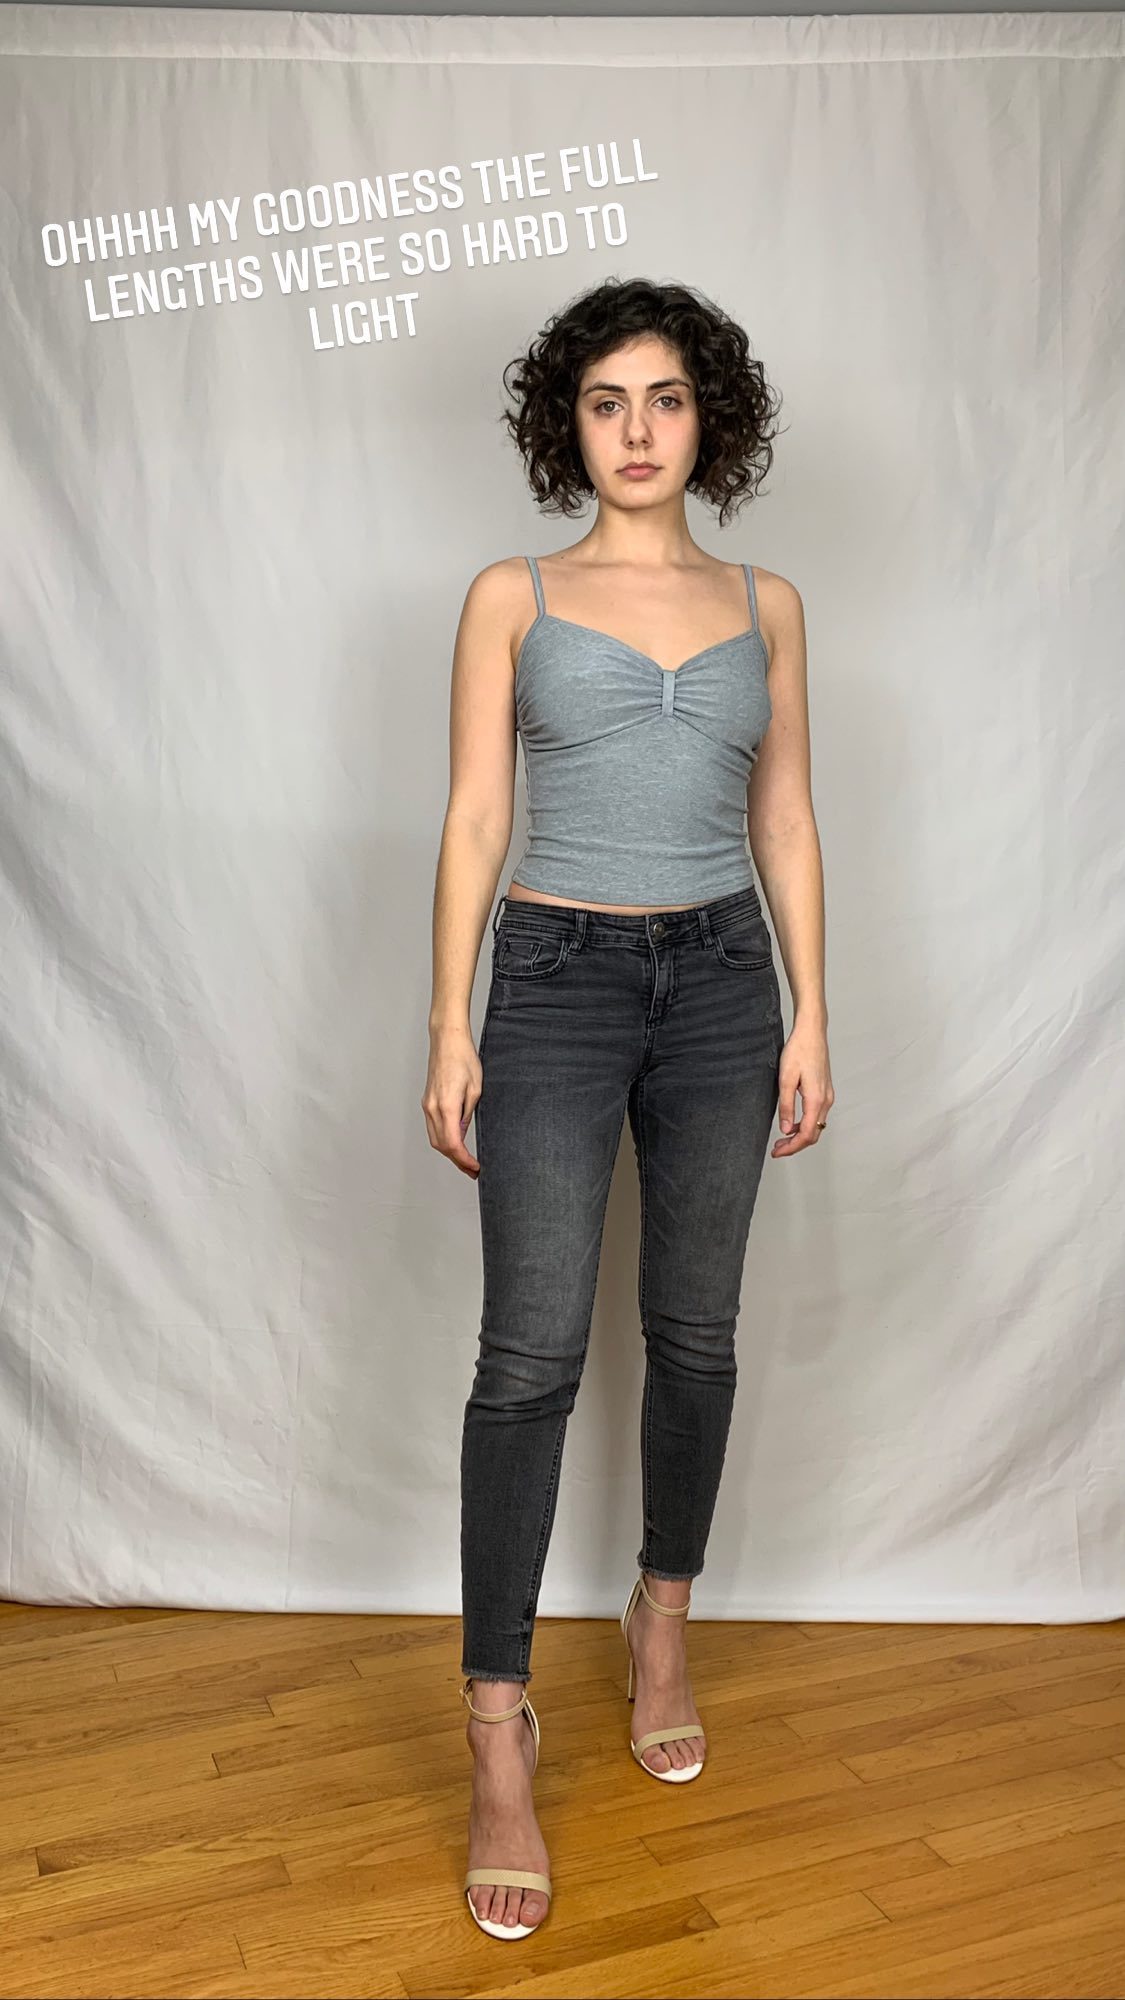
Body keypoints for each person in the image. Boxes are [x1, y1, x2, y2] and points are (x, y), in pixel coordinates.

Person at [421, 276, 834, 1941]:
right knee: (525, 1359)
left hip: (725, 983)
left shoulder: (766, 602)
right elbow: (474, 818)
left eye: (664, 398)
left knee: (695, 1333)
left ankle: (661, 1616)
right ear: (566, 425)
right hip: (557, 975)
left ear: (706, 417)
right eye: (605, 401)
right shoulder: (510, 595)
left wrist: (813, 1014)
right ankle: (497, 1728)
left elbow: (785, 814)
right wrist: (448, 1022)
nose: (637, 430)